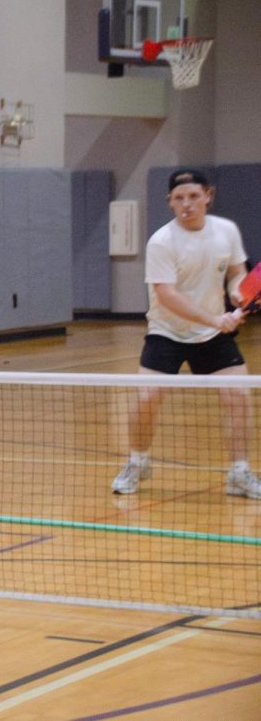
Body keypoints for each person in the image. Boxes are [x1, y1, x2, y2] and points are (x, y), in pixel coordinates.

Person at [112, 168, 261, 500]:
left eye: (194, 196)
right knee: (146, 398)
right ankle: (137, 462)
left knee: (239, 397)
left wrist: (238, 292)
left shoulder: (226, 231)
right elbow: (167, 296)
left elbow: (238, 272)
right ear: (170, 202)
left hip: (212, 334)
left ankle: (239, 472)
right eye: (179, 199)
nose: (187, 204)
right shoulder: (162, 242)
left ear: (208, 195)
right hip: (167, 332)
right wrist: (214, 318)